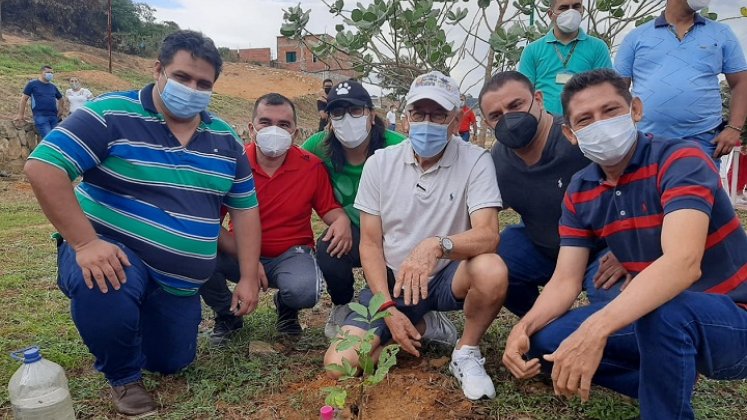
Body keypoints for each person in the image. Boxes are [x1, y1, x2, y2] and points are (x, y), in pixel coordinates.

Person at [23, 30, 262, 417]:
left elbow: (245, 210)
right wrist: (85, 244)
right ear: (158, 70)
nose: (192, 89)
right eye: (182, 77)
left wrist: (248, 276)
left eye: (203, 84)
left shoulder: (224, 140)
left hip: (180, 282)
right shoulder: (111, 113)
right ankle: (123, 377)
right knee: (103, 281)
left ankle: (140, 329)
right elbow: (44, 166)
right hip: (112, 249)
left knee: (171, 362)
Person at [502, 69, 747, 419]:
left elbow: (682, 263)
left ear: (635, 110)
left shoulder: (680, 160)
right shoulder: (581, 188)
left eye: (611, 111)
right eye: (585, 119)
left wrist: (595, 329)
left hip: (733, 319)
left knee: (663, 311)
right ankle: (656, 379)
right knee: (544, 345)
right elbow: (566, 280)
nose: (600, 124)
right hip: (662, 317)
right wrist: (522, 327)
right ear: (571, 134)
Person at [324, 71, 508, 401]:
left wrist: (438, 245)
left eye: (439, 114)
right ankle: (425, 329)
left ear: (456, 120)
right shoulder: (380, 164)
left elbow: (488, 234)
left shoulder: (476, 161)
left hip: (448, 276)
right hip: (395, 280)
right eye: (419, 113)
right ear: (406, 119)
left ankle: (466, 350)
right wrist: (388, 309)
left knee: (491, 269)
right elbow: (370, 242)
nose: (428, 122)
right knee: (339, 365)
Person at [199, 93, 352, 343]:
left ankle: (287, 309)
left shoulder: (311, 167)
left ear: (295, 132)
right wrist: (247, 261)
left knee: (305, 290)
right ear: (251, 128)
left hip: (290, 253)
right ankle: (227, 315)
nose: (274, 130)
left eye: (283, 125)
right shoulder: (231, 165)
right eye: (265, 122)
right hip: (238, 252)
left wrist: (342, 220)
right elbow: (210, 225)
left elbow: (329, 209)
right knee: (196, 256)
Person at [480, 70, 624, 317]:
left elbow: (641, 186)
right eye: (496, 115)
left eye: (516, 105)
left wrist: (630, 248)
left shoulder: (579, 140)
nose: (509, 118)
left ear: (538, 99)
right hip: (545, 249)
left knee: (617, 303)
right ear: (487, 123)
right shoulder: (498, 161)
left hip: (604, 250)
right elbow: (481, 215)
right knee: (497, 261)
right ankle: (544, 325)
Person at [302, 79, 407, 339]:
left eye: (356, 111)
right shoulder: (320, 146)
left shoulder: (398, 147)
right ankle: (342, 304)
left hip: (393, 234)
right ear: (330, 120)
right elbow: (292, 166)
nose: (347, 118)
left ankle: (418, 305)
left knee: (398, 284)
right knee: (328, 249)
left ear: (371, 115)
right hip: (353, 233)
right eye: (338, 112)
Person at [615, 0, 747, 161]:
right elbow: (617, 91)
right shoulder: (635, 37)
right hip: (647, 141)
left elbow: (741, 82)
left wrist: (734, 128)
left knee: (698, 187)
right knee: (647, 187)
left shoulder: (721, 33)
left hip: (703, 140)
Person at [518, 0, 612, 115]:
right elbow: (523, 94)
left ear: (583, 11)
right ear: (550, 14)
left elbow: (605, 90)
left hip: (584, 122)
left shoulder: (598, 47)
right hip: (545, 125)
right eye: (563, 8)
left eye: (576, 7)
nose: (571, 12)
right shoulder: (532, 50)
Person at [16, 65, 64, 138]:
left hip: (54, 117)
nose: (50, 74)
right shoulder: (32, 84)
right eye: (48, 72)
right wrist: (20, 115)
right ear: (42, 72)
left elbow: (60, 98)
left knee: (57, 138)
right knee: (49, 138)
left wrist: (60, 109)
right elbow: (24, 99)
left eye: (52, 73)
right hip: (41, 116)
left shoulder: (53, 86)